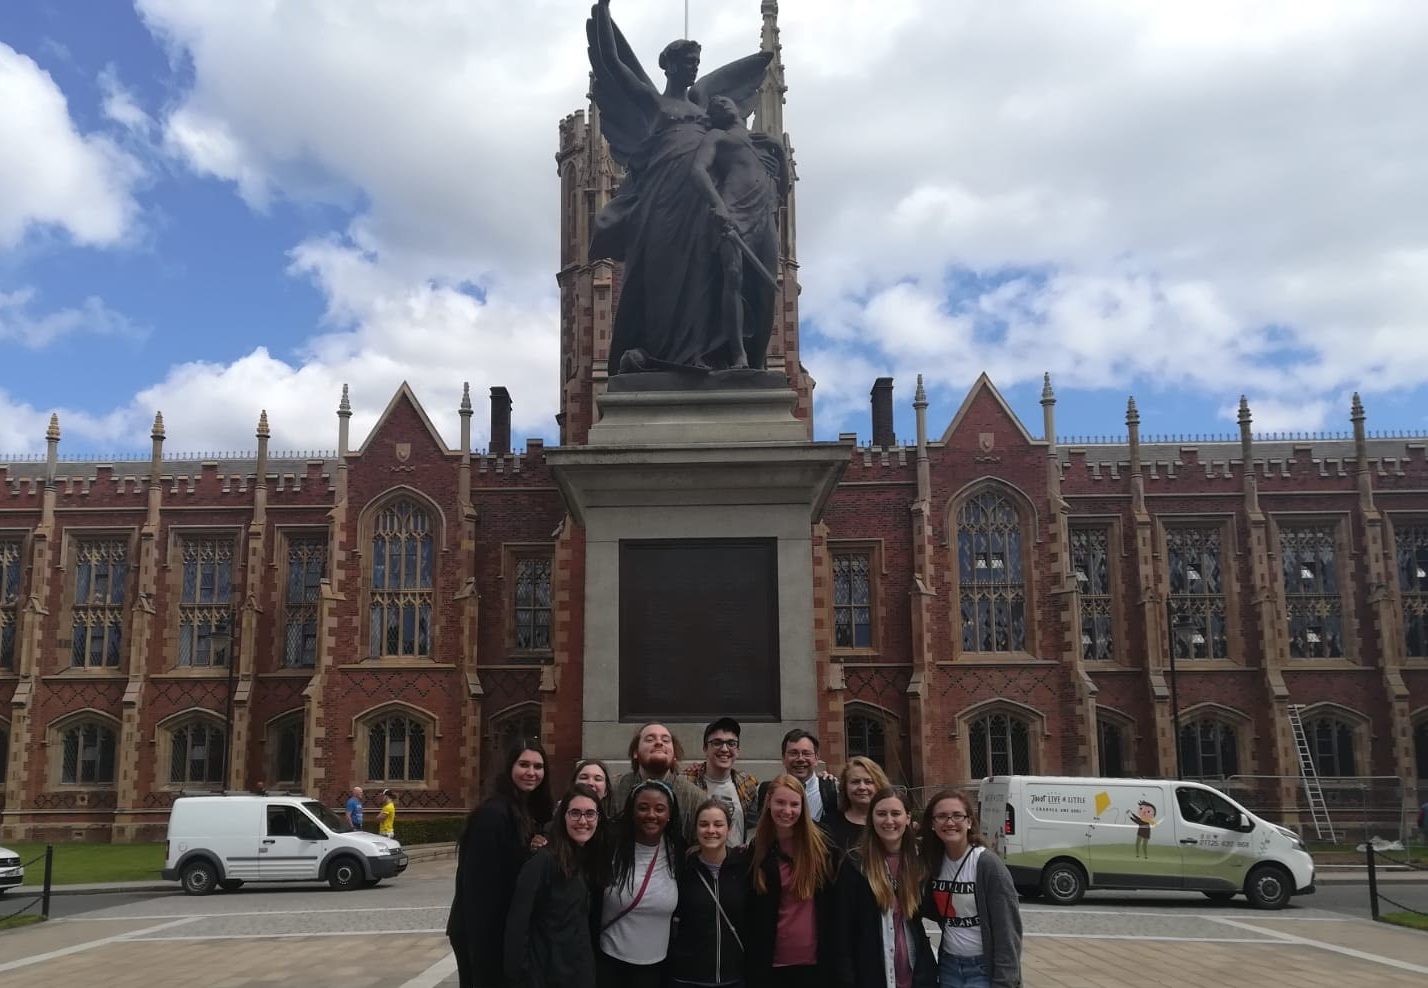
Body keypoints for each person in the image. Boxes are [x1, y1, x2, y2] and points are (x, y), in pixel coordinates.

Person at [586, 0, 778, 374]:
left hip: (703, 198)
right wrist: (604, 9)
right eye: (688, 63)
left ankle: (705, 354)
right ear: (670, 65)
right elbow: (612, 60)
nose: (694, 69)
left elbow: (734, 137)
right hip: (663, 199)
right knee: (665, 273)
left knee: (706, 273)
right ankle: (665, 353)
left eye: (696, 63)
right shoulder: (654, 102)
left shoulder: (706, 111)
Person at [447, 742, 554, 988]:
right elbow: (478, 888)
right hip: (483, 930)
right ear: (509, 768)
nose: (531, 772)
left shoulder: (527, 810)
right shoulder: (493, 814)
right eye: (524, 765)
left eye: (538, 766)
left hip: (503, 926)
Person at [691, 95, 783, 370]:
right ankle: (738, 354)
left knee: (767, 288)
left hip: (763, 216)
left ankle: (757, 359)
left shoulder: (762, 145)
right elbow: (698, 170)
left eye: (725, 100)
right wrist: (718, 206)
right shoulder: (717, 137)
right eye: (716, 104)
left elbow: (783, 189)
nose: (722, 104)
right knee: (733, 278)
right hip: (733, 213)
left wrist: (778, 149)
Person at [505, 784, 609, 988]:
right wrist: (521, 976)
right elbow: (518, 925)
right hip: (546, 976)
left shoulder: (587, 859)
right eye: (575, 813)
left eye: (590, 814)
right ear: (563, 817)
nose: (583, 821)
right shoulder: (542, 862)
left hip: (578, 973)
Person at [745, 774, 840, 988]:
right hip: (772, 964)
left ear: (803, 806)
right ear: (768, 802)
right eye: (780, 802)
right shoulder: (757, 850)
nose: (787, 811)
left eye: (794, 804)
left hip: (817, 963)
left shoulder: (823, 847)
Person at [920, 790, 1022, 988]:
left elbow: (1007, 930)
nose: (950, 822)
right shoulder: (932, 863)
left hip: (983, 968)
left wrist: (1005, 981)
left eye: (957, 815)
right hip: (949, 965)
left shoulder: (987, 864)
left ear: (969, 822)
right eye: (941, 816)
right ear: (932, 824)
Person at [836, 788, 936, 988]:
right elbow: (842, 929)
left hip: (916, 973)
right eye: (881, 814)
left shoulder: (920, 861)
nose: (889, 821)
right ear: (871, 819)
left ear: (908, 818)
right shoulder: (855, 863)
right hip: (871, 974)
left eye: (896, 814)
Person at [597, 779, 683, 988]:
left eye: (660, 809)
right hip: (609, 964)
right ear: (632, 812)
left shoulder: (678, 852)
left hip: (656, 969)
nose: (651, 815)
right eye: (643, 808)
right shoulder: (609, 846)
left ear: (669, 814)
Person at [668, 799, 751, 987]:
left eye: (718, 824)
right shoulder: (684, 869)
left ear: (729, 829)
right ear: (696, 829)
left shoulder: (744, 867)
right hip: (687, 977)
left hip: (733, 976)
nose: (711, 830)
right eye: (704, 824)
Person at [611, 722, 707, 841]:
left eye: (666, 740)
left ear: (675, 755)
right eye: (650, 739)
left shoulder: (696, 799)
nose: (659, 743)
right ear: (635, 752)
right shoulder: (614, 791)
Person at [686, 717, 760, 846]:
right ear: (705, 748)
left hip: (737, 863)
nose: (724, 749)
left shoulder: (748, 784)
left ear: (738, 750)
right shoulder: (687, 782)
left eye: (731, 743)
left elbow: (753, 828)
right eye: (717, 743)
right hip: (698, 862)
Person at [756, 730, 838, 828]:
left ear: (816, 758)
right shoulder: (765, 791)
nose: (800, 759)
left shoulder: (833, 790)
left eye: (806, 753)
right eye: (793, 753)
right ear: (783, 758)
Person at [826, 756, 892, 853]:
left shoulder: (892, 823)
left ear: (879, 785)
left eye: (868, 782)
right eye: (855, 782)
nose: (862, 787)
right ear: (845, 786)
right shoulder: (828, 825)